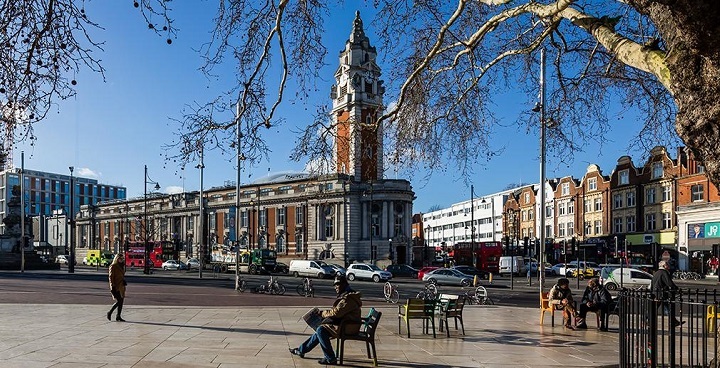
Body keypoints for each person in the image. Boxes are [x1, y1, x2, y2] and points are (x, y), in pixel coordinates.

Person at [289, 275, 362, 365]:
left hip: (348, 327)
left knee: (321, 330)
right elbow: (338, 312)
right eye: (334, 285)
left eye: (337, 284)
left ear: (344, 284)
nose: (335, 287)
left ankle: (330, 358)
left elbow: (336, 313)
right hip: (346, 325)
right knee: (321, 329)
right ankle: (301, 350)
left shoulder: (348, 299)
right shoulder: (348, 296)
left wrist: (323, 313)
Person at [651, 260, 684, 327]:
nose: (668, 266)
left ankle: (674, 322)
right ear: (663, 266)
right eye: (666, 265)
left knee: (664, 308)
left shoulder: (656, 273)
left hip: (656, 293)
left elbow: (652, 284)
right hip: (662, 294)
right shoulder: (664, 273)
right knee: (665, 308)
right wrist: (676, 289)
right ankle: (647, 320)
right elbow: (669, 283)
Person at [107, 253, 126, 322]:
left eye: (122, 259)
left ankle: (118, 316)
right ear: (117, 259)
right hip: (116, 286)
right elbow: (111, 277)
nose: (121, 260)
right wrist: (112, 287)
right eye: (120, 259)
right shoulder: (113, 266)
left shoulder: (121, 266)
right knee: (119, 301)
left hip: (121, 286)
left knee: (121, 302)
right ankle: (110, 312)